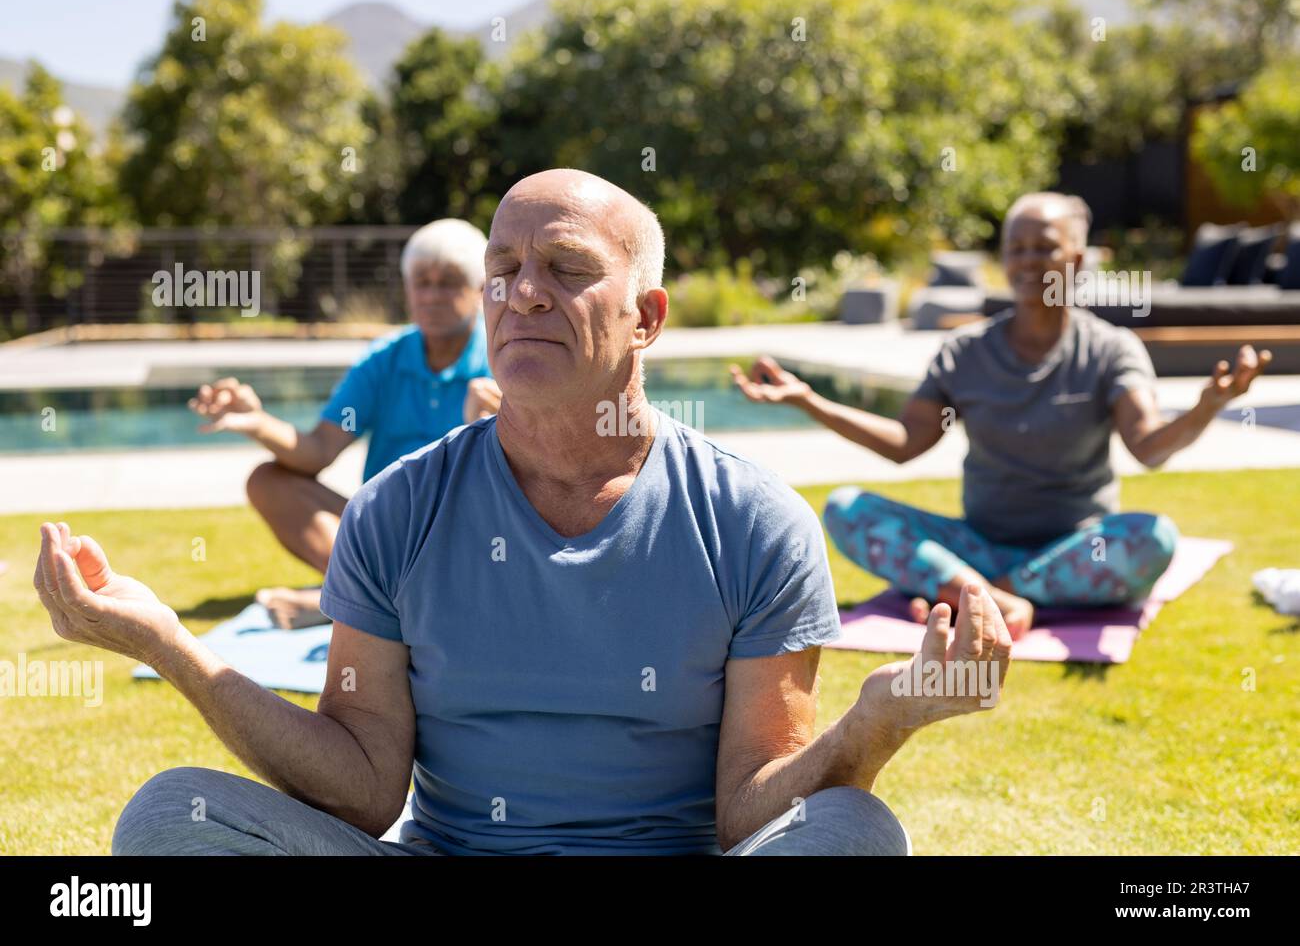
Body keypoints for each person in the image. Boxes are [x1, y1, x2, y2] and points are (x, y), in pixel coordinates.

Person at [35, 169, 1012, 857]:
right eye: (502, 269)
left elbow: (749, 815)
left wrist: (881, 721)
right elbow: (367, 786)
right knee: (173, 817)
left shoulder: (754, 521)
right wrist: (167, 641)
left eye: (568, 269)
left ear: (649, 317)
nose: (521, 294)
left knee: (856, 830)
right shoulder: (395, 510)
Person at [733, 192, 1270, 637]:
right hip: (977, 547)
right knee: (848, 508)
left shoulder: (1111, 349)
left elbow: (1149, 447)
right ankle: (995, 596)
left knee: (1155, 539)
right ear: (1005, 260)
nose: (1030, 261)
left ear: (1077, 262)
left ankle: (978, 597)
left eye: (1045, 248)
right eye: (1018, 248)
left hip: (1075, 551)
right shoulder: (965, 352)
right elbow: (905, 443)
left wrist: (1206, 407)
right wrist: (811, 401)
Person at [187, 219, 495, 628]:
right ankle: (378, 600)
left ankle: (348, 603)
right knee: (269, 481)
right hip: (386, 532)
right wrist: (257, 422)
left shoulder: (503, 357)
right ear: (407, 289)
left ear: (481, 290)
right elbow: (318, 450)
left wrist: (495, 426)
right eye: (422, 282)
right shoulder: (384, 359)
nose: (432, 295)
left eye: (449, 282)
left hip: (466, 536)